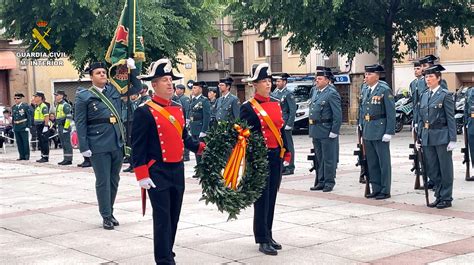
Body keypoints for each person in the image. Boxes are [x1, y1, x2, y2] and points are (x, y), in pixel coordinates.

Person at [132, 58, 204, 264]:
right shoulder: (144, 111)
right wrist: (142, 174)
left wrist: (200, 147)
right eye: (165, 80)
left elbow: (184, 137)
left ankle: (167, 251)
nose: (170, 83)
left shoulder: (178, 108)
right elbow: (138, 146)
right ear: (153, 85)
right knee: (162, 218)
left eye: (171, 79)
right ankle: (163, 259)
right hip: (157, 172)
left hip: (177, 169)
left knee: (174, 216)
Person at [240, 63, 291, 256]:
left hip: (275, 155)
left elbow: (280, 129)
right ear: (254, 84)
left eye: (269, 80)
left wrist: (286, 151)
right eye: (263, 81)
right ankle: (261, 238)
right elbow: (245, 135)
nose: (268, 84)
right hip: (259, 157)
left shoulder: (276, 103)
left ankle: (268, 234)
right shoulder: (248, 108)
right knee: (261, 198)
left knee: (272, 197)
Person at [75, 62, 127, 230]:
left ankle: (110, 212)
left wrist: (133, 68)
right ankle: (105, 215)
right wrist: (84, 146)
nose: (103, 75)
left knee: (114, 180)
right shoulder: (84, 96)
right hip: (98, 144)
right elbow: (80, 123)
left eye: (104, 72)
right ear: (91, 77)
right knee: (103, 181)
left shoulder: (113, 90)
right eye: (98, 73)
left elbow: (135, 86)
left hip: (116, 142)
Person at [417, 64, 456, 209]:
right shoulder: (424, 95)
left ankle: (446, 197)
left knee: (444, 168)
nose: (428, 79)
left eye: (431, 76)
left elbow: (450, 118)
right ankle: (438, 195)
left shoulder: (445, 95)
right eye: (426, 76)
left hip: (441, 136)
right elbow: (421, 117)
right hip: (427, 136)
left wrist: (452, 139)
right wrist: (419, 137)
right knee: (432, 169)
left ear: (438, 78)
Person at [358, 64, 396, 200]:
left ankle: (385, 189)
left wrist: (389, 131)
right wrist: (361, 124)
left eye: (369, 74)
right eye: (365, 74)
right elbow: (362, 109)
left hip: (380, 130)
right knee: (372, 162)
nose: (366, 76)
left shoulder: (384, 90)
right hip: (368, 129)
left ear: (377, 76)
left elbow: (391, 112)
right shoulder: (365, 90)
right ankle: (376, 188)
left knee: (383, 162)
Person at [308, 69, 342, 192]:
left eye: (320, 78)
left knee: (328, 158)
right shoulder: (315, 92)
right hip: (316, 129)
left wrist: (334, 130)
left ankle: (329, 182)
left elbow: (337, 114)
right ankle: (320, 181)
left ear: (327, 80)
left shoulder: (331, 93)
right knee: (319, 158)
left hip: (326, 129)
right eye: (317, 78)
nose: (317, 80)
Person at [271, 73, 297, 175]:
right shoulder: (275, 93)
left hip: (285, 123)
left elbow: (292, 110)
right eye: (276, 81)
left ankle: (290, 166)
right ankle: (282, 165)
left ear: (284, 82)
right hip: (277, 124)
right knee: (280, 146)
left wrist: (289, 124)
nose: (277, 83)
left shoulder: (288, 94)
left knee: (288, 145)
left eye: (279, 81)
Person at [188, 81, 210, 164]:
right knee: (196, 149)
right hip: (194, 128)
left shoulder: (204, 101)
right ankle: (198, 168)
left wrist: (204, 130)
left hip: (200, 128)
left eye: (195, 88)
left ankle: (203, 168)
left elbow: (207, 116)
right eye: (192, 88)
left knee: (201, 150)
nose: (193, 90)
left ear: (200, 89)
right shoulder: (193, 100)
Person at [173, 84, 191, 161]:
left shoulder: (185, 98)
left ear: (182, 90)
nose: (176, 90)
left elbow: (187, 109)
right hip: (178, 120)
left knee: (185, 136)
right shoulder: (177, 98)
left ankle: (186, 155)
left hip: (184, 119)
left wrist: (187, 119)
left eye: (178, 89)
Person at [54, 90, 73, 165]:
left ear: (61, 96)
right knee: (63, 143)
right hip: (60, 125)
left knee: (66, 143)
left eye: (57, 95)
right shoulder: (58, 104)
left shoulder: (65, 105)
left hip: (64, 126)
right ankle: (65, 158)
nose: (55, 96)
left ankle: (69, 159)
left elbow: (69, 117)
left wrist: (66, 128)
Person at [11, 93, 32, 160]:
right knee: (19, 142)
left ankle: (26, 155)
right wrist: (13, 126)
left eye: (17, 98)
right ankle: (21, 155)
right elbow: (13, 118)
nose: (16, 100)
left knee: (25, 141)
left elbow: (29, 117)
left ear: (21, 99)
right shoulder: (14, 107)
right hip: (16, 127)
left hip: (23, 126)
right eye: (15, 98)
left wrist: (28, 126)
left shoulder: (25, 106)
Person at [33, 91, 50, 163]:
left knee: (44, 141)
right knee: (41, 141)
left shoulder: (43, 106)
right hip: (38, 126)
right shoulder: (38, 106)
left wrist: (45, 126)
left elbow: (46, 116)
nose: (34, 98)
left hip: (42, 125)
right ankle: (42, 156)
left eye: (36, 97)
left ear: (40, 98)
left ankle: (45, 157)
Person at [464, 86, 474, 179]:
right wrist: (466, 122)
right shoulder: (469, 91)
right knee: (472, 148)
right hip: (472, 122)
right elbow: (466, 108)